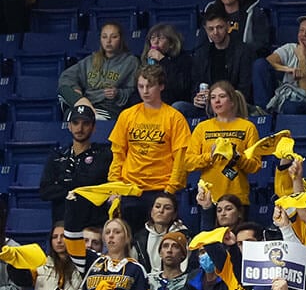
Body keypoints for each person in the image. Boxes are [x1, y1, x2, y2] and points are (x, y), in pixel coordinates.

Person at [109, 65, 192, 234]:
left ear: (161, 86)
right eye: (141, 86)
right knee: (129, 243)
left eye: (150, 86)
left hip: (160, 190)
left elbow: (181, 159)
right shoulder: (127, 115)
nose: (145, 91)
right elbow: (118, 154)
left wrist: (170, 191)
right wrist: (114, 187)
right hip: (130, 189)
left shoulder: (174, 118)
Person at [185, 80, 262, 204]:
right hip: (208, 198)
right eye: (213, 97)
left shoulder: (247, 127)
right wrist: (209, 156)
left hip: (237, 199)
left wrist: (238, 157)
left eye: (222, 96)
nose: (217, 101)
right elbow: (188, 162)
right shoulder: (202, 127)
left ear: (232, 102)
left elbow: (256, 166)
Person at [38, 103, 112, 225]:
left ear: (93, 127)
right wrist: (77, 189)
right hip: (63, 222)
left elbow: (95, 183)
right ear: (69, 126)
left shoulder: (104, 155)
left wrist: (64, 184)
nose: (80, 128)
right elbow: (45, 191)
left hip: (93, 223)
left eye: (86, 123)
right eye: (76, 123)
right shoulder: (57, 156)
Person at [56, 22, 140, 119]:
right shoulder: (91, 59)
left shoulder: (131, 62)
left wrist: (118, 93)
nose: (108, 41)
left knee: (76, 117)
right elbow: (66, 76)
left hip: (108, 108)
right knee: (63, 89)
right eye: (104, 37)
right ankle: (82, 107)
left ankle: (83, 113)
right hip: (87, 102)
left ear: (121, 39)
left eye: (114, 37)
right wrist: (76, 89)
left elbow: (134, 91)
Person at [260, 14, 306, 114]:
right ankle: (263, 113)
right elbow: (267, 63)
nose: (304, 34)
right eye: (301, 30)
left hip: (305, 102)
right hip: (282, 95)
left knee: (290, 107)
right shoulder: (290, 48)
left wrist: (302, 58)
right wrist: (288, 69)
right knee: (259, 64)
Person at [189, 10, 256, 111]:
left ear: (228, 26)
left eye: (219, 27)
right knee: (180, 106)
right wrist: (196, 98)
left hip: (234, 105)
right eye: (211, 29)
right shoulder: (201, 53)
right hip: (208, 106)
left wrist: (220, 98)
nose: (215, 32)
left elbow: (245, 89)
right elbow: (195, 84)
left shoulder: (243, 51)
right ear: (205, 30)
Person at [202, 0, 269, 53]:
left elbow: (261, 43)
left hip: (245, 58)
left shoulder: (255, 14)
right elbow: (202, 43)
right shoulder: (211, 13)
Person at [141, 23, 195, 106]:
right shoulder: (147, 61)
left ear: (171, 43)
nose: (155, 42)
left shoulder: (184, 59)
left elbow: (180, 88)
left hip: (175, 102)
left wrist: (163, 60)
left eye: (161, 38)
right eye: (152, 38)